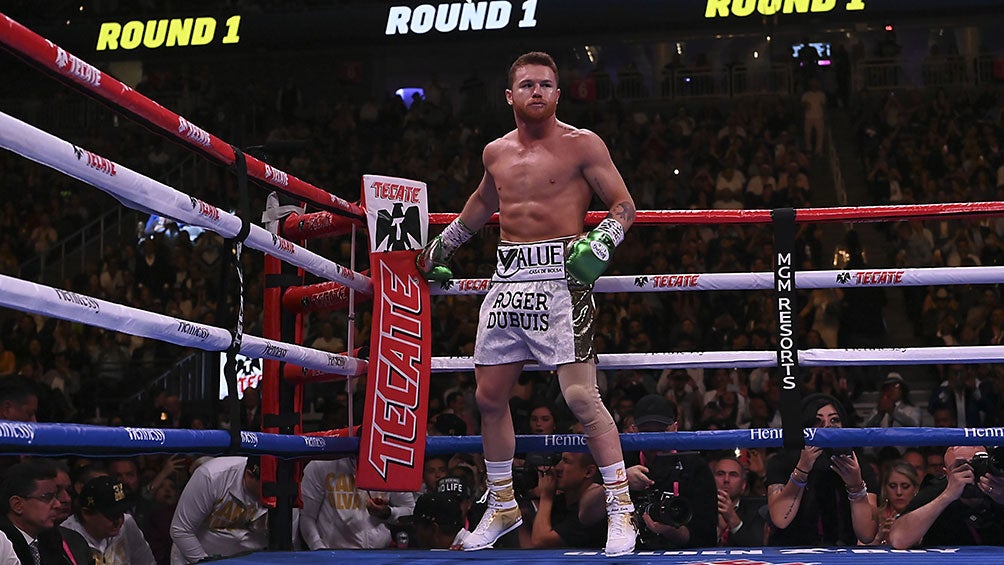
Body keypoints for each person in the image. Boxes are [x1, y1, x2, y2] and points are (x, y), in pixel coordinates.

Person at [416, 51, 637, 556]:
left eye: (545, 85)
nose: (536, 92)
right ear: (510, 95)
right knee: (489, 399)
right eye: (527, 85)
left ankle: (621, 509)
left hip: (563, 277)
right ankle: (501, 505)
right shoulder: (495, 152)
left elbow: (625, 206)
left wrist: (600, 241)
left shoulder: (584, 144)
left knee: (581, 397)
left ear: (558, 94)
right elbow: (481, 204)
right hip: (508, 277)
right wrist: (442, 246)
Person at [765, 393, 879, 545]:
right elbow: (780, 519)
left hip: (840, 556)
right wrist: (802, 470)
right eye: (817, 421)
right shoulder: (782, 462)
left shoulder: (858, 467)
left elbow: (866, 535)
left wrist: (855, 486)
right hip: (792, 554)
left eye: (834, 420)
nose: (827, 427)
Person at [614, 394, 716, 549]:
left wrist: (671, 530)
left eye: (661, 432)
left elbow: (707, 537)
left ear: (675, 428)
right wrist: (621, 482)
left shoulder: (695, 467)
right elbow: (587, 516)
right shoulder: (622, 461)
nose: (655, 440)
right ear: (634, 431)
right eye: (647, 433)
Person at [888, 445, 1004, 548]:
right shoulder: (937, 490)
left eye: (977, 465)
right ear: (946, 474)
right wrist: (947, 496)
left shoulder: (999, 485)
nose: (970, 473)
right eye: (961, 467)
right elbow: (898, 539)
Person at [299, 456, 415, 549]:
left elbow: (411, 511)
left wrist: (388, 513)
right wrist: (319, 550)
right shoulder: (321, 465)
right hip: (336, 554)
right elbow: (307, 517)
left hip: (380, 554)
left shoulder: (390, 465)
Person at [169, 456, 266, 564]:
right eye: (266, 487)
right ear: (249, 475)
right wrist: (206, 563)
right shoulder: (212, 476)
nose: (271, 493)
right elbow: (180, 530)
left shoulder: (281, 483)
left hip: (247, 556)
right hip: (197, 556)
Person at [0, 460, 93, 565]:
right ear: (17, 505)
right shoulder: (2, 542)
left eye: (55, 496)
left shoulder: (51, 540)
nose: (57, 504)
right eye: (47, 497)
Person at [61, 476, 155, 565]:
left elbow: (147, 562)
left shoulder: (127, 523)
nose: (118, 521)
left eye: (121, 513)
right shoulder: (65, 537)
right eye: (112, 515)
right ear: (86, 514)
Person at [526, 452, 606, 549]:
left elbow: (540, 541)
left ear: (588, 472)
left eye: (566, 461)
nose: (557, 468)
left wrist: (546, 497)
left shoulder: (593, 510)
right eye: (560, 460)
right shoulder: (561, 502)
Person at [709, 454, 767, 546]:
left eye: (733, 475)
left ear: (743, 485)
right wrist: (718, 530)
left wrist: (732, 518)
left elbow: (757, 548)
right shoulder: (700, 508)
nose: (726, 479)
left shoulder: (757, 510)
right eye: (720, 474)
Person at [869, 461, 919, 546]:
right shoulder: (874, 517)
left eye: (905, 486)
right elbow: (859, 551)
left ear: (915, 489)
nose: (899, 492)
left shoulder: (926, 517)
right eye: (892, 486)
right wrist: (879, 536)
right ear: (885, 489)